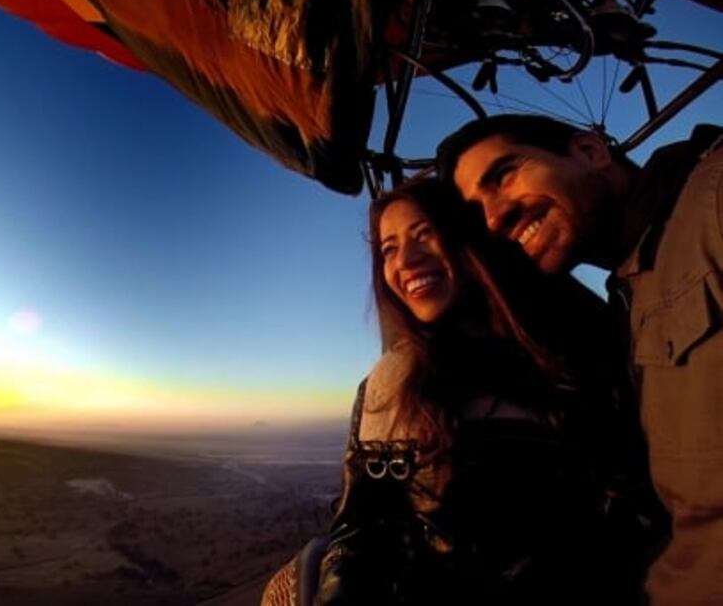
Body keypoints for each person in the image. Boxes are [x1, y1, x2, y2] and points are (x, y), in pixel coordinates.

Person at [261, 178, 658, 605]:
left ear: (467, 240)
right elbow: (366, 525)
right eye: (388, 249)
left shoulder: (575, 345)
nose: (406, 260)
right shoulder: (392, 382)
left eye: (423, 234)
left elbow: (629, 494)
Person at [436, 115, 722, 605]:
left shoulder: (712, 199)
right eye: (475, 212)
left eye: (504, 175)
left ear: (590, 152)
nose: (493, 220)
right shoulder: (635, 287)